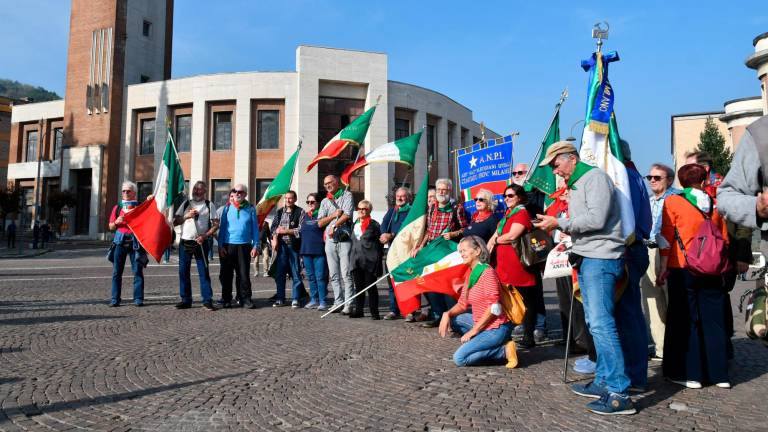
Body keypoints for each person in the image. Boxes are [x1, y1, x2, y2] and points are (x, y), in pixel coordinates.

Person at [534, 141, 635, 415]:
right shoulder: (579, 184)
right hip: (589, 257)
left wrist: (560, 223)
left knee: (602, 324)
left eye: (556, 165)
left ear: (571, 159)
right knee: (595, 323)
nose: (556, 172)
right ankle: (604, 380)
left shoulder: (595, 178)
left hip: (601, 259)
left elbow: (597, 219)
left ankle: (618, 391)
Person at [657, 163, 730, 389]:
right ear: (703, 179)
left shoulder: (674, 201)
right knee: (714, 321)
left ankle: (690, 373)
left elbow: (666, 238)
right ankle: (720, 375)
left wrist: (663, 267)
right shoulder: (714, 204)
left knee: (685, 320)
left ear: (681, 181)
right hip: (712, 267)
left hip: (683, 265)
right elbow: (724, 238)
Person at [438, 235, 516, 368]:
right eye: (460, 251)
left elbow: (494, 308)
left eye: (464, 250)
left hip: (496, 328)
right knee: (455, 320)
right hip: (483, 324)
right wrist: (447, 313)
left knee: (460, 358)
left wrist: (473, 331)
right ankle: (485, 342)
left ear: (477, 251)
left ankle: (504, 351)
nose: (461, 254)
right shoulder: (471, 273)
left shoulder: (487, 273)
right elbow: (463, 304)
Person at [616, 139, 652, 392]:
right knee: (631, 315)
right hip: (635, 248)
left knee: (628, 316)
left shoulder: (625, 177)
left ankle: (634, 374)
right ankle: (634, 371)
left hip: (628, 249)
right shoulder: (635, 175)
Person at [487, 184, 539, 348]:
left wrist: (495, 240)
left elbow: (512, 236)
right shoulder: (507, 214)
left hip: (520, 266)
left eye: (511, 196)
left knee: (528, 302)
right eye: (505, 196)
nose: (507, 199)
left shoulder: (521, 213)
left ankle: (528, 337)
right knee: (508, 302)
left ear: (520, 197)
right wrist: (488, 249)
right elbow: (496, 234)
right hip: (504, 266)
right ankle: (506, 334)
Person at [414, 178, 468, 328]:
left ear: (450, 191)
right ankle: (437, 315)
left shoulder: (457, 208)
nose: (441, 192)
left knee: (448, 287)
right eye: (439, 190)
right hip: (432, 252)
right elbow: (429, 230)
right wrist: (421, 246)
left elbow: (466, 229)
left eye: (444, 190)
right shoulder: (432, 208)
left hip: (447, 254)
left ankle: (453, 319)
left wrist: (453, 234)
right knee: (432, 285)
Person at [642, 163, 678, 361]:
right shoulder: (647, 201)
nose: (652, 181)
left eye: (657, 177)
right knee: (651, 301)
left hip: (670, 253)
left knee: (672, 300)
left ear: (669, 180)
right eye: (650, 177)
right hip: (648, 251)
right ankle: (661, 348)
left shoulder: (677, 198)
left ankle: (678, 346)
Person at [173, 181, 219, 311]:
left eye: (199, 190)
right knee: (183, 272)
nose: (196, 191)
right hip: (185, 242)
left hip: (201, 242)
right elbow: (176, 221)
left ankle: (207, 300)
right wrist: (186, 216)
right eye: (194, 189)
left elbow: (216, 224)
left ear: (204, 191)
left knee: (203, 272)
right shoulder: (186, 203)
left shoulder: (209, 205)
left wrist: (205, 235)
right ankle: (186, 300)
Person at [218, 184, 260, 309]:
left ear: (245, 194)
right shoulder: (226, 208)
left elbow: (255, 229)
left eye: (240, 192)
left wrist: (255, 245)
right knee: (227, 274)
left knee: (243, 274)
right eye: (235, 191)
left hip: (244, 246)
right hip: (228, 245)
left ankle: (245, 298)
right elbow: (223, 228)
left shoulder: (251, 209)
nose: (237, 194)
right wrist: (220, 246)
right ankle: (226, 299)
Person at [317, 175, 354, 314]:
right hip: (330, 242)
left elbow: (347, 214)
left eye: (330, 182)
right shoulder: (325, 201)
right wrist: (333, 216)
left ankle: (349, 303)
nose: (327, 185)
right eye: (325, 184)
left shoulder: (347, 195)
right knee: (334, 274)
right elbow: (320, 222)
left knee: (346, 274)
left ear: (337, 182)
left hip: (344, 240)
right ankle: (338, 301)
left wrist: (335, 225)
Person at [107, 181, 148, 307]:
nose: (125, 193)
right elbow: (111, 227)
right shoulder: (117, 207)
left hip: (135, 242)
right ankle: (115, 299)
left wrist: (151, 199)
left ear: (134, 193)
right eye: (123, 191)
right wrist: (117, 222)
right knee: (116, 272)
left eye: (128, 191)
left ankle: (138, 299)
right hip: (119, 242)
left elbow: (150, 218)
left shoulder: (140, 207)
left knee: (137, 272)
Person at [380, 187, 412, 320]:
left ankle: (409, 311)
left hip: (406, 251)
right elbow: (384, 223)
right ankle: (394, 310)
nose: (399, 198)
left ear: (408, 198)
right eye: (398, 196)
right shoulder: (393, 211)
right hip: (393, 252)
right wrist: (383, 234)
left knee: (407, 282)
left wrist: (391, 235)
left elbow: (407, 229)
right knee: (392, 282)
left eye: (403, 196)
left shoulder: (411, 211)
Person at [271, 191, 306, 308]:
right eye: (286, 198)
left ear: (295, 199)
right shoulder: (280, 212)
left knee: (296, 273)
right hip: (281, 247)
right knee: (280, 274)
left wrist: (286, 231)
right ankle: (280, 298)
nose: (288, 200)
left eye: (290, 198)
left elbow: (301, 230)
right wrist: (275, 237)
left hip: (294, 247)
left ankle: (296, 299)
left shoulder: (300, 212)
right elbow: (274, 228)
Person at [349, 200, 383, 319]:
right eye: (359, 208)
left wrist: (378, 261)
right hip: (356, 260)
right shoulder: (354, 224)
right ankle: (359, 310)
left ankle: (375, 312)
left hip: (370, 261)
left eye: (364, 209)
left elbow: (380, 244)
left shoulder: (374, 225)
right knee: (358, 287)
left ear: (369, 211)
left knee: (371, 287)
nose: (361, 211)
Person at [300, 193, 328, 311]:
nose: (310, 204)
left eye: (312, 202)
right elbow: (299, 231)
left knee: (320, 277)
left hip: (319, 251)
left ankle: (323, 301)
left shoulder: (322, 216)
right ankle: (314, 300)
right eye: (308, 202)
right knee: (311, 277)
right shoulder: (304, 216)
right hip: (306, 251)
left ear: (318, 203)